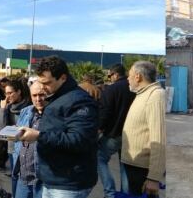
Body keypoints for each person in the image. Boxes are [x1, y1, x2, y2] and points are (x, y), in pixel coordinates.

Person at [18, 56, 98, 198]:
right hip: (52, 178)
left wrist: (38, 136)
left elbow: (79, 140)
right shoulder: (56, 96)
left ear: (62, 78)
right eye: (40, 82)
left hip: (69, 182)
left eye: (47, 83)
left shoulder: (79, 101)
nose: (42, 87)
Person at [121, 62, 165, 197]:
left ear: (138, 77)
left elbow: (159, 138)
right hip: (134, 166)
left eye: (129, 76)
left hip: (143, 170)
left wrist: (153, 177)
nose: (127, 79)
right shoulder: (142, 94)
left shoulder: (155, 95)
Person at [98, 64, 135, 198]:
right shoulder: (135, 88)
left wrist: (99, 129)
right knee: (124, 164)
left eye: (110, 76)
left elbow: (105, 113)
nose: (110, 78)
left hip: (114, 134)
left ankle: (110, 192)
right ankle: (125, 194)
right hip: (132, 135)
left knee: (99, 158)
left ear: (115, 74)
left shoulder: (111, 90)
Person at [12, 81, 48, 198]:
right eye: (34, 95)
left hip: (42, 180)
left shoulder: (54, 114)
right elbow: (17, 139)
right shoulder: (26, 111)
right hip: (23, 176)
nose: (38, 99)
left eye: (41, 94)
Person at [0, 79, 31, 174]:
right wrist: (2, 109)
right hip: (12, 147)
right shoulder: (7, 108)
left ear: (19, 92)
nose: (7, 97)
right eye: (6, 93)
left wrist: (14, 129)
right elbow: (2, 130)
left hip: (26, 148)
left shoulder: (29, 107)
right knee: (15, 176)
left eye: (10, 93)